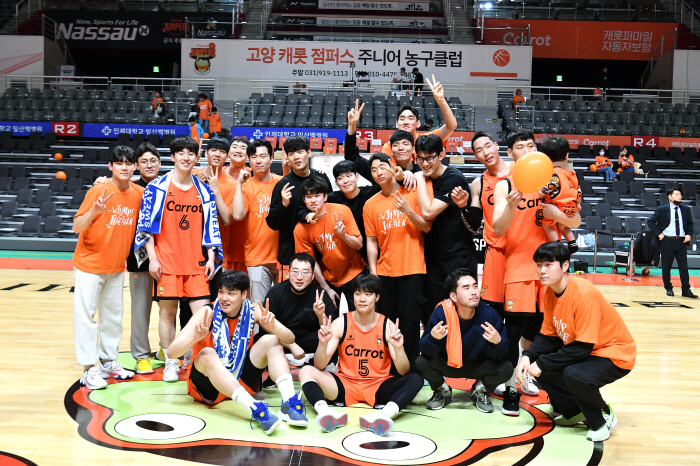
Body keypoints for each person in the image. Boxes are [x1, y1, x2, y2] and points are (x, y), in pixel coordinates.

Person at [492, 129, 581, 415]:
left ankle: (534, 379)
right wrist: (511, 206)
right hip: (518, 267)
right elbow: (498, 229)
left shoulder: (551, 180)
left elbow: (576, 220)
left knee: (544, 333)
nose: (528, 150)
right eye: (521, 147)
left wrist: (557, 214)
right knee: (513, 331)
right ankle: (509, 387)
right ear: (511, 153)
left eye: (531, 145)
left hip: (550, 271)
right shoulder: (505, 185)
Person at [518, 242, 636, 442]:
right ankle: (574, 411)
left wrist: (542, 363)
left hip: (614, 353)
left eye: (548, 265)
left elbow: (582, 348)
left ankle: (602, 417)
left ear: (565, 265)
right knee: (540, 366)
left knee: (574, 374)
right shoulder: (549, 292)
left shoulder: (583, 294)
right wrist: (527, 356)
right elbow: (548, 336)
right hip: (587, 350)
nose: (542, 271)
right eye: (539, 265)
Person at [167, 270, 307, 435]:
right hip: (208, 386)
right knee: (207, 353)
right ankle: (255, 408)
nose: (224, 298)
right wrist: (194, 338)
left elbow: (289, 338)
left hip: (240, 378)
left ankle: (289, 404)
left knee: (271, 340)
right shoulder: (207, 313)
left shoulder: (253, 310)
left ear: (244, 294)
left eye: (231, 293)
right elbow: (172, 353)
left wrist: (273, 327)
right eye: (221, 292)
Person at [134, 136, 223, 383]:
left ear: (197, 157)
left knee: (204, 316)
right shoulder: (156, 188)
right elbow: (147, 228)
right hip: (166, 263)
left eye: (190, 153)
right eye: (180, 153)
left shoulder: (204, 190)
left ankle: (198, 361)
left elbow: (211, 228)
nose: (186, 157)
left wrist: (211, 257)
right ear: (172, 157)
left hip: (196, 263)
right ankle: (171, 362)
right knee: (167, 314)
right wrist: (152, 259)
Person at [299, 274, 423, 435]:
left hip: (378, 386)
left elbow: (403, 370)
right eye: (358, 294)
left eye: (368, 294)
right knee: (305, 371)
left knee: (415, 378)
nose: (362, 299)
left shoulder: (387, 325)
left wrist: (399, 348)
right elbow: (319, 365)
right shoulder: (341, 323)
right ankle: (326, 413)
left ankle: (383, 416)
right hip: (345, 384)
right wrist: (322, 344)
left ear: (377, 297)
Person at [72, 145, 144, 389]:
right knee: (86, 318)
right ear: (110, 166)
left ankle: (108, 361)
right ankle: (88, 369)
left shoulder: (138, 193)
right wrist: (94, 210)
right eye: (119, 163)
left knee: (113, 318)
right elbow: (77, 227)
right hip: (90, 264)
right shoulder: (99, 190)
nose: (124, 167)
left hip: (116, 266)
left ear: (134, 166)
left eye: (128, 163)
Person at [363, 152, 432, 365]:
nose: (378, 173)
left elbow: (427, 226)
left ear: (393, 167)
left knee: (410, 322)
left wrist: (408, 211)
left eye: (382, 167)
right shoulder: (370, 204)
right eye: (373, 170)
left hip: (412, 269)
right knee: (386, 322)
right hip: (385, 272)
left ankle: (410, 366)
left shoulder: (412, 192)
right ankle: (389, 365)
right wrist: (373, 273)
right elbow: (371, 242)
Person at [416, 269, 511, 413]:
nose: (473, 292)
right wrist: (433, 338)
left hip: (477, 365)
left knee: (506, 368)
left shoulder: (490, 315)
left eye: (475, 286)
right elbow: (425, 350)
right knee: (420, 363)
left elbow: (500, 356)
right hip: (448, 363)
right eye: (466, 288)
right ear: (453, 296)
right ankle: (442, 389)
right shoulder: (442, 312)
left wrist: (497, 342)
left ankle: (481, 390)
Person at [414, 133, 476, 329]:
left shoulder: (453, 178)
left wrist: (419, 179)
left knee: (463, 310)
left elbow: (428, 212)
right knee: (435, 311)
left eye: (429, 158)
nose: (425, 164)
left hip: (457, 256)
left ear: (442, 154)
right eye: (420, 159)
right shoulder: (426, 177)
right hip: (433, 257)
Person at [295, 177, 366, 312]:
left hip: (354, 272)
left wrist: (344, 235)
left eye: (317, 196)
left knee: (359, 316)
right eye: (309, 197)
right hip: (328, 277)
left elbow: (359, 245)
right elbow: (310, 261)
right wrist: (326, 288)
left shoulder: (341, 211)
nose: (313, 200)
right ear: (304, 200)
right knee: (327, 317)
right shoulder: (301, 228)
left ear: (325, 197)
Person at [266, 135, 332, 277]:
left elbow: (331, 208)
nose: (296, 157)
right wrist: (283, 205)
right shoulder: (283, 185)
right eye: (291, 154)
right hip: (291, 257)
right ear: (287, 158)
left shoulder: (321, 178)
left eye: (300, 152)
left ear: (309, 153)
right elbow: (272, 223)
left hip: (323, 254)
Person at [232, 139, 283, 303]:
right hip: (257, 257)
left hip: (283, 256)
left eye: (263, 156)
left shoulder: (282, 182)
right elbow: (237, 215)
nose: (258, 161)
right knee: (259, 309)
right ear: (249, 160)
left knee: (285, 308)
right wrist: (238, 184)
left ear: (271, 158)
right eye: (254, 157)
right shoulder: (246, 186)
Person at [126, 143, 162, 374]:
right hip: (139, 259)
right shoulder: (130, 188)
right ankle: (141, 356)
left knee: (169, 308)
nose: (149, 165)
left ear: (160, 163)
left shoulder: (169, 185)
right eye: (144, 162)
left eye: (153, 161)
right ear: (136, 166)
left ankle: (166, 349)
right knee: (140, 309)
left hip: (168, 257)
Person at [263, 253, 336, 361]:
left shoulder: (321, 295)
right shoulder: (275, 293)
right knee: (264, 338)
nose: (299, 277)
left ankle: (318, 365)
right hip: (283, 339)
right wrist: (291, 345)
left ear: (313, 275)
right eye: (295, 272)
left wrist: (320, 315)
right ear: (288, 273)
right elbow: (267, 327)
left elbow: (327, 330)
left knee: (331, 339)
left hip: (309, 339)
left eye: (305, 272)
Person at [343, 100, 418, 188]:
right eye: (395, 145)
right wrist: (352, 126)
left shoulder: (424, 172)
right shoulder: (380, 172)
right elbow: (351, 157)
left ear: (413, 148)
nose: (401, 148)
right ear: (391, 150)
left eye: (405, 144)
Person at [381, 76, 457, 160]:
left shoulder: (427, 140)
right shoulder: (389, 147)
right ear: (396, 124)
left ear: (418, 123)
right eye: (402, 119)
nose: (406, 122)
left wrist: (441, 100)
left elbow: (451, 126)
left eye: (410, 118)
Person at [646, 186, 697, 298]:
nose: (679, 196)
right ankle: (668, 288)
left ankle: (686, 289)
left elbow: (690, 224)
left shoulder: (686, 209)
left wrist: (689, 234)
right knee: (666, 266)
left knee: (684, 267)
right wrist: (659, 233)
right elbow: (650, 222)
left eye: (680, 194)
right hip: (667, 241)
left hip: (681, 242)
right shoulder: (662, 209)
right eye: (676, 194)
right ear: (670, 197)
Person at [539, 136, 581, 255]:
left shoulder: (553, 173)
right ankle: (572, 243)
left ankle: (558, 244)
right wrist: (577, 204)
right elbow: (577, 190)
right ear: (567, 156)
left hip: (556, 206)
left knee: (547, 225)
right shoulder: (572, 173)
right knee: (562, 226)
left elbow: (549, 187)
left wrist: (540, 192)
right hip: (571, 206)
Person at [223, 137, 251, 272]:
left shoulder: (255, 175)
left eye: (243, 148)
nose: (238, 150)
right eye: (234, 147)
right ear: (228, 152)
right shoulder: (216, 175)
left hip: (245, 246)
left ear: (248, 155)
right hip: (221, 246)